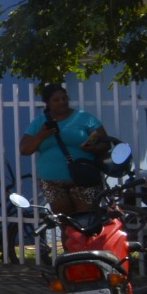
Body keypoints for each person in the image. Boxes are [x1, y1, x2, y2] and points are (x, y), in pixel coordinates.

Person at [19, 82, 110, 214]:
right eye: (56, 100)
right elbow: (24, 150)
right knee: (66, 225)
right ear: (47, 103)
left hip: (84, 178)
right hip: (51, 181)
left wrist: (92, 148)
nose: (62, 102)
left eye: (64, 98)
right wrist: (41, 135)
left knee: (86, 222)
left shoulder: (84, 118)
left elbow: (105, 144)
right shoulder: (39, 123)